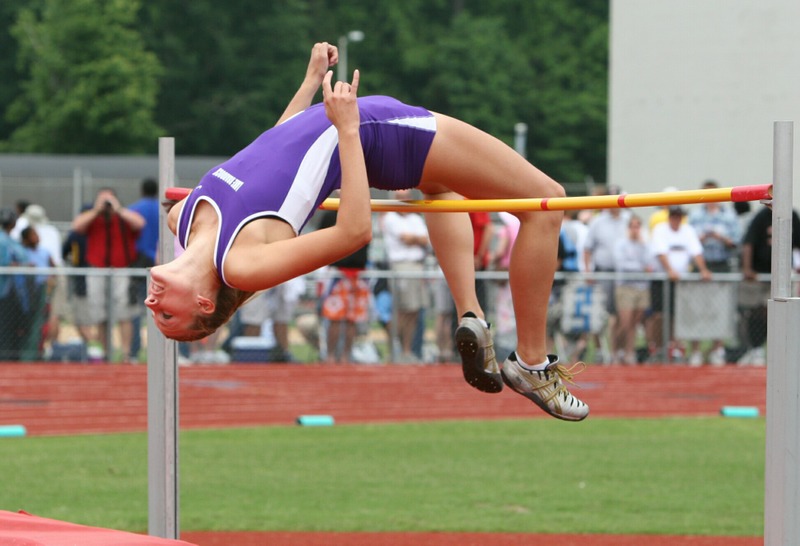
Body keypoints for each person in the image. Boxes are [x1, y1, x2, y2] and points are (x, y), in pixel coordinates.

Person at [147, 42, 589, 421]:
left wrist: (309, 82)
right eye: (167, 315)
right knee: (546, 202)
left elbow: (269, 149)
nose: (152, 303)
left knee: (438, 188)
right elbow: (353, 232)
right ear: (204, 302)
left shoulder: (182, 217)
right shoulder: (243, 264)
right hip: (375, 132)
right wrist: (349, 130)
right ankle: (532, 361)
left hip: (354, 126)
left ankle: (471, 315)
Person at [71, 188, 145, 361]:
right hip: (97, 268)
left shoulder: (124, 217)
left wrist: (117, 209)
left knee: (124, 312)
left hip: (121, 269)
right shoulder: (93, 217)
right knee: (100, 313)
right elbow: (77, 226)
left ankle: (126, 353)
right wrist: (96, 210)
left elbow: (139, 224)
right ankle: (106, 353)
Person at [687, 179, 740, 365]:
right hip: (701, 262)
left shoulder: (729, 215)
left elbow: (737, 242)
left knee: (720, 307)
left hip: (721, 263)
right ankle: (695, 350)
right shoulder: (694, 215)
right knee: (696, 307)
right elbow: (688, 241)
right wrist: (701, 239)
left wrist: (721, 238)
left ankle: (717, 349)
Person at [649, 205, 712, 363]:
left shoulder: (687, 230)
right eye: (675, 216)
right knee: (659, 315)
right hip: (662, 279)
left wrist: (703, 269)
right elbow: (661, 252)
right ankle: (657, 346)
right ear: (670, 217)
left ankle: (676, 346)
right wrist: (670, 270)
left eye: (679, 216)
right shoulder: (660, 229)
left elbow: (696, 252)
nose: (677, 219)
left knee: (680, 314)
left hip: (681, 281)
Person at [381, 190, 431, 363]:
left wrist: (416, 239)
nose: (404, 201)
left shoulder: (415, 218)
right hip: (401, 267)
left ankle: (406, 350)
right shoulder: (390, 218)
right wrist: (417, 239)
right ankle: (395, 349)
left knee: (414, 310)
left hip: (417, 266)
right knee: (402, 310)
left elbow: (425, 239)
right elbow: (406, 238)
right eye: (400, 198)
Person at [128, 178, 161, 361]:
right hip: (162, 259)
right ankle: (170, 350)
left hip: (139, 260)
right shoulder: (163, 209)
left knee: (135, 307)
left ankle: (134, 350)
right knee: (166, 306)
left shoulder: (134, 209)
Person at [612, 215, 652, 365]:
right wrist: (641, 268)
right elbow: (622, 265)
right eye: (632, 226)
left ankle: (629, 351)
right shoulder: (621, 244)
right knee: (625, 322)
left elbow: (650, 262)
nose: (635, 229)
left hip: (641, 286)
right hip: (626, 286)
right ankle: (616, 351)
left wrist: (642, 247)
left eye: (637, 226)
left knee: (635, 323)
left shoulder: (644, 244)